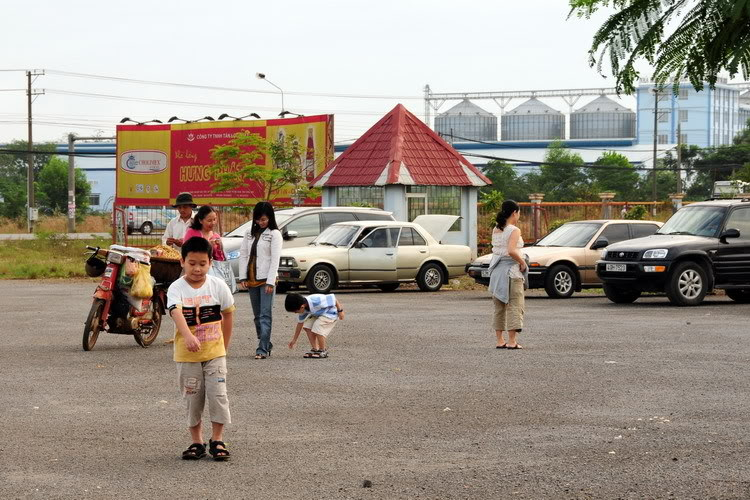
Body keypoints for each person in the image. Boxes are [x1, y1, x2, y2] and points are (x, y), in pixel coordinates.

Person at [166, 236, 235, 461]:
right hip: (187, 356)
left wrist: (224, 346)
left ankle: (217, 440)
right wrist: (187, 335)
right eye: (192, 263)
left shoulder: (218, 286)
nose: (197, 268)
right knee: (192, 398)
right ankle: (197, 442)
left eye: (203, 264)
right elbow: (175, 311)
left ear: (210, 263)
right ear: (182, 262)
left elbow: (228, 313)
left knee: (218, 396)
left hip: (215, 354)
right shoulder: (176, 288)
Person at [238, 202, 282, 359]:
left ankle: (262, 348)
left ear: (270, 217)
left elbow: (275, 259)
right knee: (257, 315)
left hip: (266, 280)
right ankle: (266, 341)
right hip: (251, 279)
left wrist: (271, 281)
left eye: (264, 219)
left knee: (265, 315)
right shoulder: (248, 233)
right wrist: (243, 277)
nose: (261, 222)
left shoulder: (275, 234)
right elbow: (243, 255)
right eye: (258, 219)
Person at [488, 200, 528, 350]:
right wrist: (522, 262)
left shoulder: (496, 229)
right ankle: (512, 341)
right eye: (518, 212)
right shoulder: (514, 230)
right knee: (514, 305)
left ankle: (500, 340)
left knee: (499, 306)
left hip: (496, 270)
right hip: (511, 272)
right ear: (514, 213)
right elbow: (511, 250)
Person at [285, 292, 344, 359]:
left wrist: (340, 311)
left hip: (330, 314)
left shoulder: (316, 300)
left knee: (317, 326)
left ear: (302, 307)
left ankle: (323, 350)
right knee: (307, 326)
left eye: (295, 311)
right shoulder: (302, 308)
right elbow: (300, 324)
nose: (296, 313)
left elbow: (333, 298)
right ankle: (315, 349)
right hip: (320, 315)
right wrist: (294, 340)